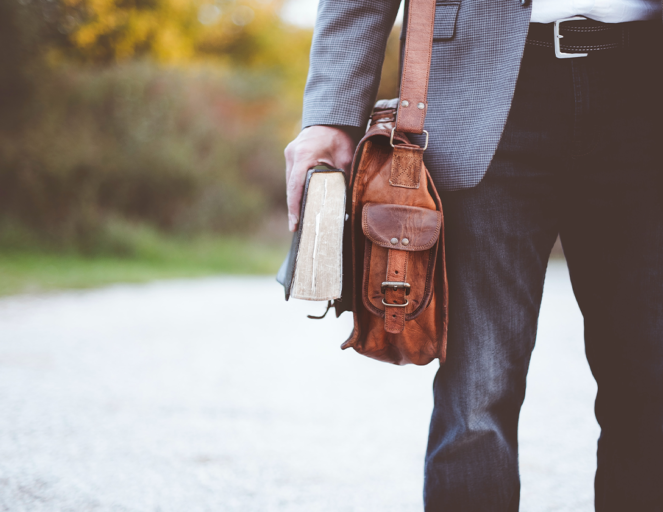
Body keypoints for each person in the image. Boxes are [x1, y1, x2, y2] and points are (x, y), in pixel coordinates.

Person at [283, 0, 663, 510]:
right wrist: (331, 114)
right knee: (477, 395)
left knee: (651, 385)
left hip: (646, 86)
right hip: (484, 92)